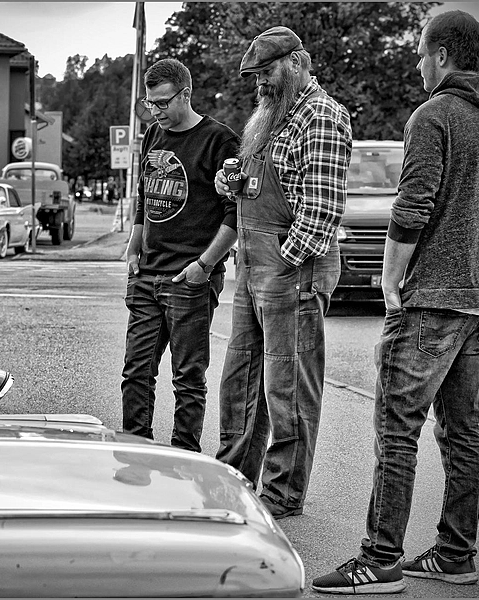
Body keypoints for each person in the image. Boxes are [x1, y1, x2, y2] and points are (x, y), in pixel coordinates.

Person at [313, 10, 479, 594]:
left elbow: (413, 206)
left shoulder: (434, 116)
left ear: (442, 55)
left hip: (431, 295)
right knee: (463, 431)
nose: (416, 64)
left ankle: (380, 558)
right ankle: (456, 553)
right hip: (476, 299)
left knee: (396, 428)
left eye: (420, 54)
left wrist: (390, 280)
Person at [214, 27, 352, 518]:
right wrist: (230, 179)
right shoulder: (272, 115)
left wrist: (284, 263)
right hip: (256, 266)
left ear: (296, 62)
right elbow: (258, 180)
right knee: (241, 380)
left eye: (266, 72)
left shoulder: (321, 115)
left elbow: (321, 211)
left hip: (290, 270)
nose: (260, 84)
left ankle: (282, 493)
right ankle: (234, 480)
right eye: (255, 77)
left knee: (287, 387)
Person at [121, 58, 240, 453]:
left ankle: (184, 458)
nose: (155, 111)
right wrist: (134, 245)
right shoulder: (153, 135)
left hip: (189, 278)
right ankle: (137, 451)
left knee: (188, 378)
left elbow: (235, 213)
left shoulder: (219, 140)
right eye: (149, 103)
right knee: (136, 372)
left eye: (162, 103)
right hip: (146, 273)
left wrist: (204, 266)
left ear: (185, 94)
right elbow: (145, 196)